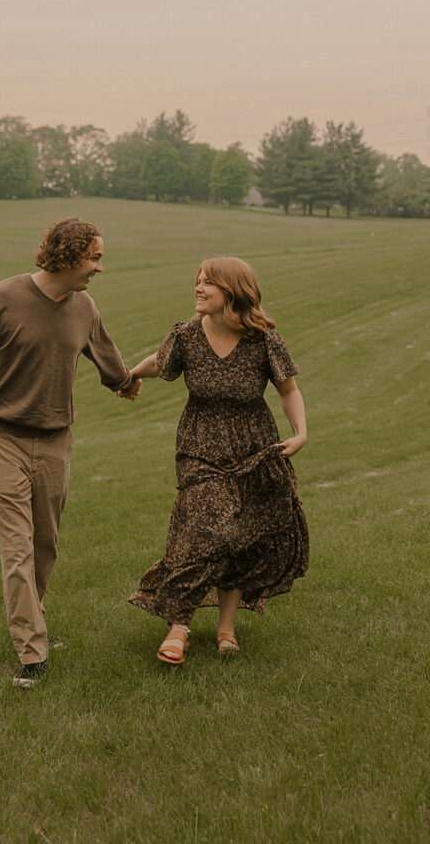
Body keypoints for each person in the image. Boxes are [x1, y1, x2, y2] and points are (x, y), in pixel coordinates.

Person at [0, 217, 141, 687]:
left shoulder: (85, 308)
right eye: (95, 257)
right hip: (1, 437)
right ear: (67, 255)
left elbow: (106, 356)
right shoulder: (3, 298)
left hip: (56, 439)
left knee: (43, 545)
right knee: (16, 547)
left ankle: (33, 623)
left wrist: (124, 382)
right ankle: (32, 653)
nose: (100, 267)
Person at [125, 256, 308, 663]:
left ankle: (226, 628)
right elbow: (161, 362)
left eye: (208, 283)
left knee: (238, 537)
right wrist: (131, 374)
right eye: (197, 281)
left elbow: (287, 388)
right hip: (199, 446)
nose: (198, 288)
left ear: (232, 291)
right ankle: (180, 626)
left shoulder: (264, 339)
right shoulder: (187, 335)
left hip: (252, 446)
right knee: (206, 526)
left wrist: (301, 432)